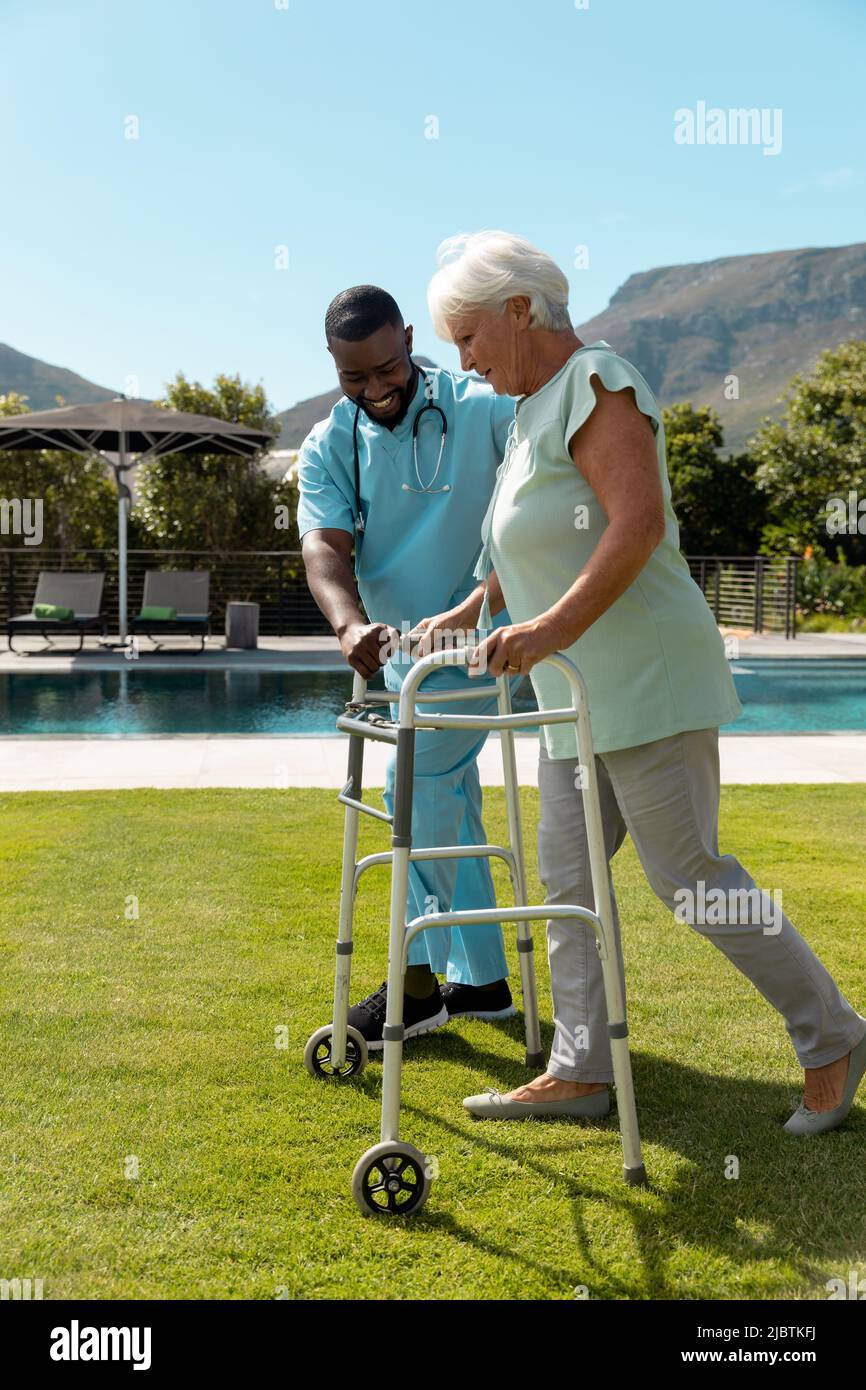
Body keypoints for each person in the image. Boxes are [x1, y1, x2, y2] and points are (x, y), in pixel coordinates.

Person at [418, 231, 866, 1132]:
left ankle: (833, 1039)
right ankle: (581, 1071)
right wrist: (479, 605)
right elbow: (533, 535)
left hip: (643, 678)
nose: (461, 360)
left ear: (520, 309)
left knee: (689, 877)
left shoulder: (596, 381)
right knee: (567, 883)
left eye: (467, 337)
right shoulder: (526, 409)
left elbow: (634, 525)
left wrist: (544, 630)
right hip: (572, 697)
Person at [297, 284, 519, 1048]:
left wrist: (487, 600)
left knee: (415, 785)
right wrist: (347, 621)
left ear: (409, 339)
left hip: (489, 645)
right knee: (448, 799)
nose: (377, 390)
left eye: (388, 368)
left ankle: (416, 983)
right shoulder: (330, 442)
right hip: (402, 663)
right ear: (334, 367)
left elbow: (550, 502)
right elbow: (325, 548)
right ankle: (483, 980)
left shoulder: (484, 406)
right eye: (353, 378)